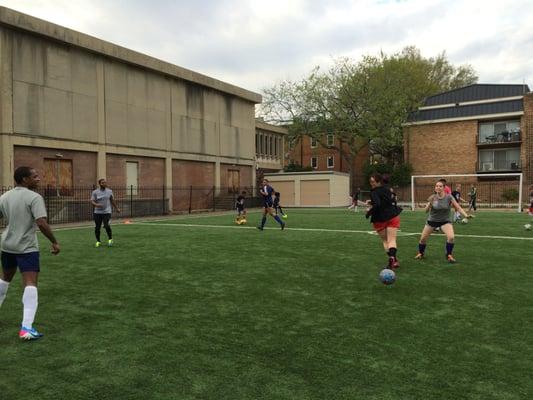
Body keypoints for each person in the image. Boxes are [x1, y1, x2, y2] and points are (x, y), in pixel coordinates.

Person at [0, 166, 60, 340]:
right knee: (30, 283)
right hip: (26, 247)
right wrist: (54, 242)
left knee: (5, 279)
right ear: (25, 179)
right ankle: (26, 328)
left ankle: (26, 327)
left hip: (7, 246)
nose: (38, 179)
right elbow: (41, 222)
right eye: (35, 176)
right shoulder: (34, 197)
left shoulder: (4, 196)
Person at [415, 180, 472, 263]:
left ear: (444, 188)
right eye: (436, 186)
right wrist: (429, 205)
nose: (438, 187)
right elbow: (426, 211)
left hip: (445, 221)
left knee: (451, 237)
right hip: (432, 221)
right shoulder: (432, 197)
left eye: (440, 186)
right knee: (423, 239)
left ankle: (449, 255)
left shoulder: (449, 197)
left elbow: (458, 207)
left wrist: (466, 215)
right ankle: (421, 253)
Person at [365, 173, 402, 269]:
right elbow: (391, 199)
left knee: (385, 240)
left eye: (373, 181)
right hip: (392, 215)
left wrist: (369, 212)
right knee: (392, 240)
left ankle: (392, 258)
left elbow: (377, 204)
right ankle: (394, 259)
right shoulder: (388, 189)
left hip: (379, 218)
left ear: (378, 181)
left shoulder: (373, 192)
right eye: (370, 181)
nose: (371, 183)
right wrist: (372, 202)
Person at [91, 179, 120, 247]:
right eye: (103, 183)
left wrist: (116, 208)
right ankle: (98, 241)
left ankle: (110, 239)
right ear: (100, 184)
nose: (105, 184)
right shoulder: (95, 192)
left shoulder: (109, 191)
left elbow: (112, 200)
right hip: (97, 212)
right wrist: (96, 205)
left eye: (105, 183)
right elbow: (92, 201)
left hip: (107, 211)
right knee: (97, 227)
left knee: (106, 225)